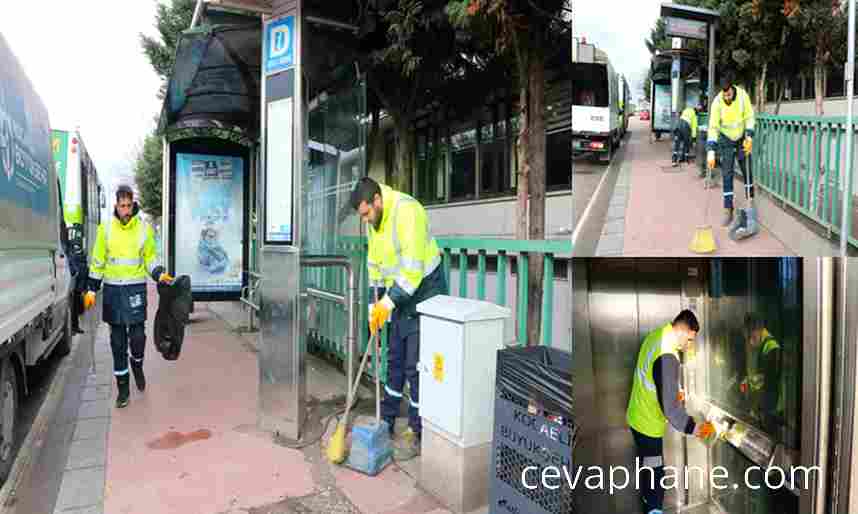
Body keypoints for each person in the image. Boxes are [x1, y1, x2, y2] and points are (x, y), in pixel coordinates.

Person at [349, 177, 448, 460]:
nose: (366, 220)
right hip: (398, 293)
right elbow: (375, 266)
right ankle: (387, 421)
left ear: (377, 200)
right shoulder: (375, 223)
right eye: (362, 216)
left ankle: (419, 432)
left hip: (425, 290)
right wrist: (374, 305)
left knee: (416, 365)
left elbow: (413, 269)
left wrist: (388, 302)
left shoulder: (408, 211)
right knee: (393, 358)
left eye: (367, 213)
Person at [83, 185, 172, 408]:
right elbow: (97, 261)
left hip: (135, 290)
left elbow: (149, 257)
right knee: (117, 342)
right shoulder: (106, 229)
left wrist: (159, 273)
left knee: (138, 337)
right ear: (116, 205)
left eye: (129, 205)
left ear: (133, 205)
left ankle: (138, 364)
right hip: (113, 290)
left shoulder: (143, 229)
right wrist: (92, 289)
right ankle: (123, 390)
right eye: (122, 206)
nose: (125, 210)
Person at [627, 309, 716, 514]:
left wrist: (673, 392)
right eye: (691, 339)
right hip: (647, 426)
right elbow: (671, 410)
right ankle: (653, 509)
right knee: (655, 477)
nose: (689, 345)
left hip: (638, 416)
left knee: (648, 470)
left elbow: (653, 378)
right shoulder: (667, 353)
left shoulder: (657, 335)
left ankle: (648, 504)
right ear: (684, 332)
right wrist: (697, 428)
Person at [706, 74, 756, 227]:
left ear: (733, 89)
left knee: (747, 171)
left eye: (728, 93)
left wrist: (749, 137)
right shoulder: (717, 102)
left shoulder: (742, 96)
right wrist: (711, 151)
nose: (726, 96)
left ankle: (750, 205)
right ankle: (728, 209)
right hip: (726, 140)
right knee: (727, 173)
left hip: (742, 139)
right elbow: (713, 127)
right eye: (724, 93)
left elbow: (749, 117)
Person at [740, 314, 783, 431]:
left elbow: (770, 381)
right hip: (767, 406)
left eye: (751, 337)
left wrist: (750, 383)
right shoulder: (765, 344)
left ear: (758, 330)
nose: (750, 342)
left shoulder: (772, 347)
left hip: (772, 409)